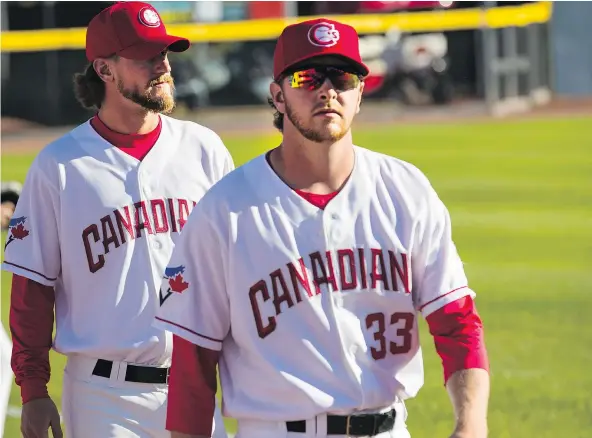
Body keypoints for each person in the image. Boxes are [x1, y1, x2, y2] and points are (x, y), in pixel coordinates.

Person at [154, 18, 490, 438]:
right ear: (277, 95)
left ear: (360, 92)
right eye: (307, 77)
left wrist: (471, 424)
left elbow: (458, 323)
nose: (327, 90)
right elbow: (192, 364)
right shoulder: (225, 210)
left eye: (342, 77)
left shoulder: (405, 190)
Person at [2, 2, 232, 437]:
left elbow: (236, 269)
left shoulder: (205, 150)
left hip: (193, 388)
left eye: (164, 53)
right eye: (145, 56)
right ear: (104, 70)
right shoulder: (60, 166)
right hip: (103, 397)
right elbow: (32, 290)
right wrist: (33, 388)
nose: (162, 65)